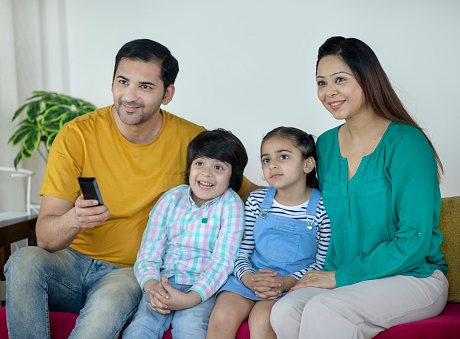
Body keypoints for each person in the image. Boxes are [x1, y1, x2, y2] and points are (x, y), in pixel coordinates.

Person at [4, 39, 256, 338]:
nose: (130, 96)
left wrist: (302, 192)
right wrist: (75, 218)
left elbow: (245, 190)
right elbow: (45, 238)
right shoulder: (77, 135)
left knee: (107, 305)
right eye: (123, 82)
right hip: (70, 264)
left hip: (130, 272)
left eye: (146, 86)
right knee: (23, 260)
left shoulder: (191, 141)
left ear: (168, 93)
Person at [270, 36, 449, 339]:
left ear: (367, 78)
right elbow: (298, 194)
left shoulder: (407, 143)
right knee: (284, 310)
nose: (329, 92)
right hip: (348, 277)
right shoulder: (325, 145)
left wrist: (341, 277)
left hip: (413, 276)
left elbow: (413, 241)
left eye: (340, 79)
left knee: (324, 309)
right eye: (321, 83)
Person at [206, 127, 331, 339]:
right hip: (250, 277)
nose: (272, 164)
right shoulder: (256, 201)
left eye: (283, 156)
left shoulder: (322, 207)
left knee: (263, 320)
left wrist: (287, 282)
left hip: (292, 284)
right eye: (266, 160)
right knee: (222, 315)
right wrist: (248, 278)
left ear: (307, 164)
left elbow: (322, 263)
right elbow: (241, 251)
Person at [122, 129, 248, 338]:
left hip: (202, 288)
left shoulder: (231, 205)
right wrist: (151, 285)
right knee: (139, 329)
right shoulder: (171, 199)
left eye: (218, 167)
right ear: (189, 167)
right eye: (200, 163)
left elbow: (223, 262)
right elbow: (148, 252)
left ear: (232, 176)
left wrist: (192, 297)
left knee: (190, 329)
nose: (206, 173)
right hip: (163, 282)